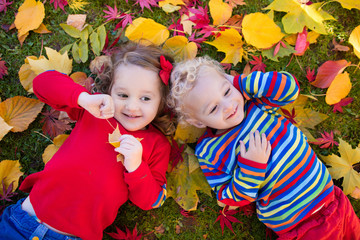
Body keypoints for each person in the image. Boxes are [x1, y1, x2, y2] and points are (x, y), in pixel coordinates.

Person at [167, 56, 360, 239]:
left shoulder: (255, 105)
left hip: (334, 200)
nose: (228, 106)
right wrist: (252, 168)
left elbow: (289, 88)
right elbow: (229, 198)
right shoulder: (210, 151)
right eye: (212, 109)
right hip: (300, 226)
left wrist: (240, 84)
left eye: (226, 91)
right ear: (197, 122)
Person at [0, 42, 175, 240]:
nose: (132, 106)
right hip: (22, 222)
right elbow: (42, 83)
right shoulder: (96, 111)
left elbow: (152, 201)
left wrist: (136, 167)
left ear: (162, 101)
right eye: (123, 95)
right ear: (110, 91)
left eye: (145, 98)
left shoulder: (156, 145)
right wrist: (83, 98)